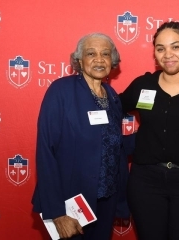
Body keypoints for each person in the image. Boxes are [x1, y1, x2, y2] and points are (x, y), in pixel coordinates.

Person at [119, 21, 179, 240]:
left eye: (176, 46)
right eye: (161, 48)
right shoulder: (143, 84)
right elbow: (112, 109)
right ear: (154, 53)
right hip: (145, 182)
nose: (168, 54)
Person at [31, 33, 130, 240]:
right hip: (71, 203)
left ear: (113, 60)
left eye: (105, 54)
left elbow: (113, 145)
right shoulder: (61, 91)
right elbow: (45, 151)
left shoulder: (111, 96)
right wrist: (57, 212)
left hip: (106, 201)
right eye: (91, 53)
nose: (99, 59)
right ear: (79, 60)